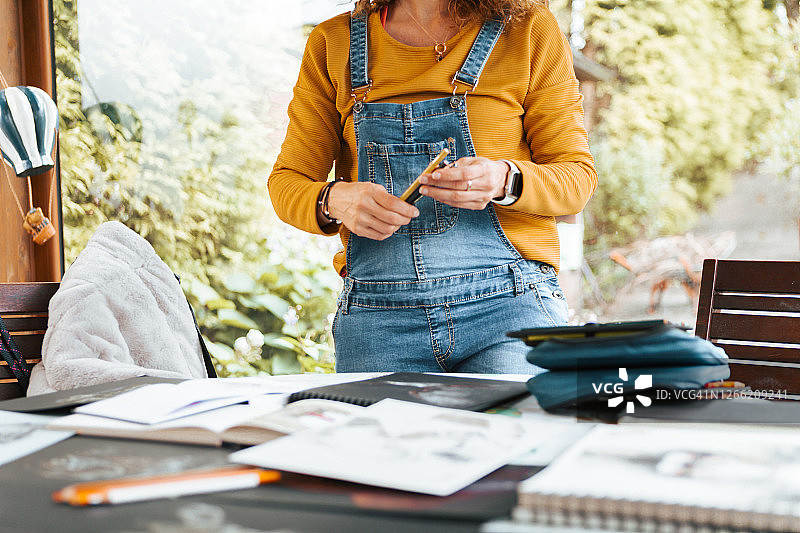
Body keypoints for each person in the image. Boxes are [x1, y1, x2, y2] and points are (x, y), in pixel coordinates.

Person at [268, 0, 597, 374]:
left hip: (510, 307)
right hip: (378, 323)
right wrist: (332, 200)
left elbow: (576, 178)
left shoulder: (527, 30)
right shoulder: (332, 42)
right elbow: (286, 183)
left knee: (510, 431)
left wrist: (505, 179)